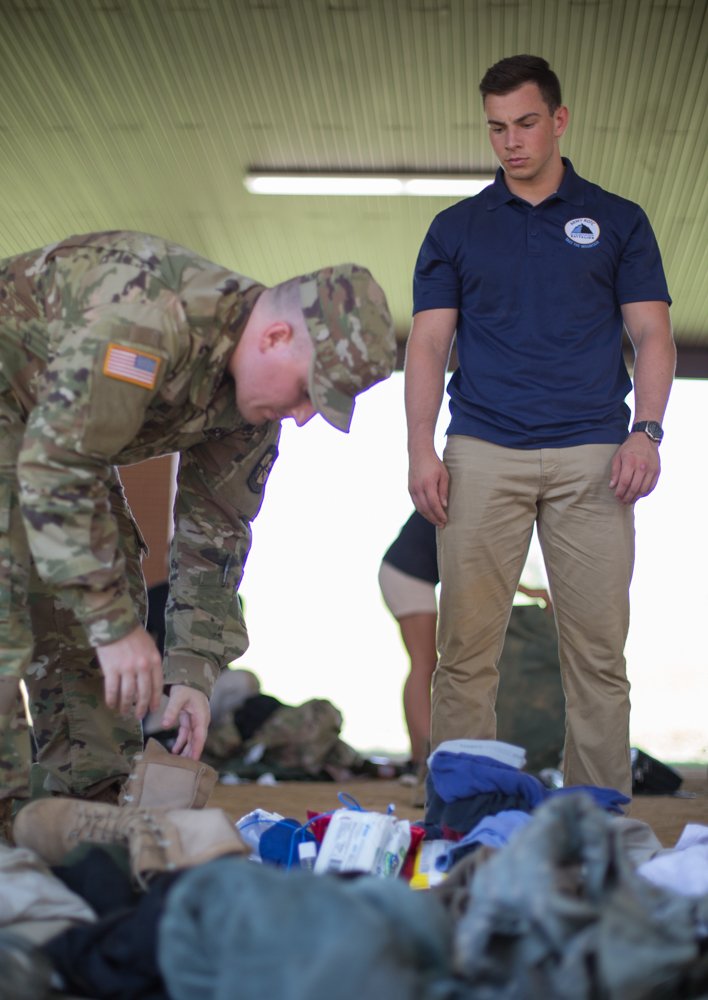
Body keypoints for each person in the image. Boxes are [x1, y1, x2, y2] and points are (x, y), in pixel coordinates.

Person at [0, 229, 395, 838]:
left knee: (101, 602)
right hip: (29, 428)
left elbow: (217, 532)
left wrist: (192, 671)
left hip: (53, 444)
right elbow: (56, 468)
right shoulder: (147, 316)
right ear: (275, 336)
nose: (302, 414)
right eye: (309, 391)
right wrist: (113, 624)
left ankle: (88, 826)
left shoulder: (251, 408)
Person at [405, 55, 675, 799]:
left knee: (596, 656)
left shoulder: (619, 220)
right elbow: (427, 343)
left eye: (525, 123)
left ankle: (600, 822)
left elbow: (654, 336)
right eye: (496, 128)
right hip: (482, 451)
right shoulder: (457, 227)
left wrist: (645, 432)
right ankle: (461, 819)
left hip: (596, 454)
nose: (511, 141)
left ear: (558, 120)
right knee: (465, 655)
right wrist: (420, 448)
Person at [379, 509, 551, 770]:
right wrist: (529, 590)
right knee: (424, 664)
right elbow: (478, 561)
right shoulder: (469, 488)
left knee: (426, 665)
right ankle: (423, 758)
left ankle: (422, 757)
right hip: (406, 575)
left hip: (414, 574)